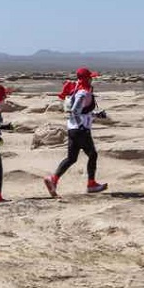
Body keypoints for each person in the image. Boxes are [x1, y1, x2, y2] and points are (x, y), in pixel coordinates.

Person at [44, 67, 108, 197]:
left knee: (71, 158)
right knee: (92, 154)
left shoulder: (77, 91)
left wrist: (96, 114)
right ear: (87, 79)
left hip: (73, 129)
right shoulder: (83, 92)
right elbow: (75, 111)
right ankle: (91, 184)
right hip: (80, 130)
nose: (92, 80)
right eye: (91, 78)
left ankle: (53, 180)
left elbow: (83, 111)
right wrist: (82, 126)